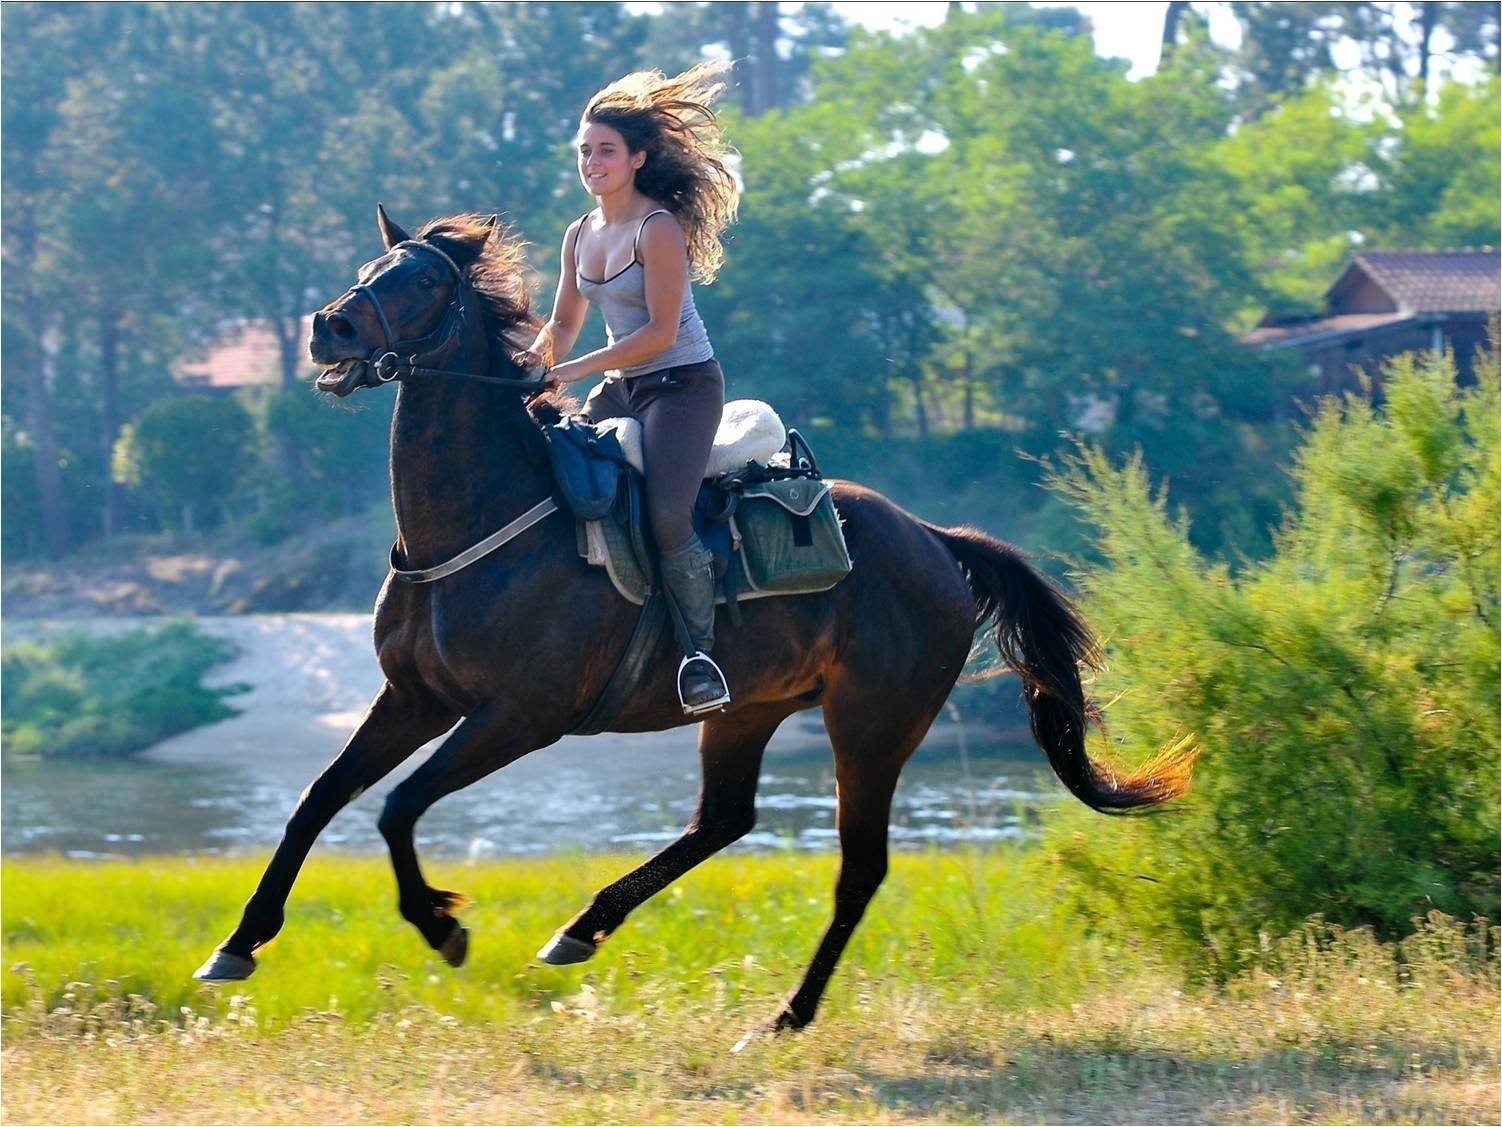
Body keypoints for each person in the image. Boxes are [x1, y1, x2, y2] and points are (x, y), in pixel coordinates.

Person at [516, 62, 739, 715]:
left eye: (605, 150)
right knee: (565, 480)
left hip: (682, 385)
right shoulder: (579, 234)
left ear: (637, 158)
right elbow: (561, 323)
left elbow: (662, 335)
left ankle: (700, 658)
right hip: (622, 385)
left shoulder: (657, 229)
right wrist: (532, 359)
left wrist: (573, 371)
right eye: (584, 151)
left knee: (669, 517)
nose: (592, 161)